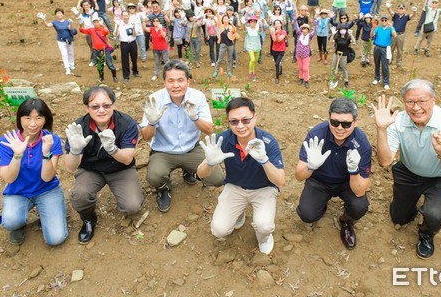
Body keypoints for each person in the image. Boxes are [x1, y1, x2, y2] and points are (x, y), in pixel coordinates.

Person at [374, 79, 441, 259]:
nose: (416, 108)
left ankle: (426, 233)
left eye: (422, 101)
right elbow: (385, 162)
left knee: (434, 215)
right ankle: (409, 204)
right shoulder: (398, 121)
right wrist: (381, 129)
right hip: (408, 172)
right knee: (399, 218)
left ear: (433, 100)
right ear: (404, 102)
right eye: (410, 102)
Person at [197, 97, 285, 254]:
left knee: (264, 225)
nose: (240, 126)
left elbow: (280, 180)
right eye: (234, 122)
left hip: (263, 188)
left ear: (255, 117)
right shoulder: (223, 140)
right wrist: (209, 162)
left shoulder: (268, 142)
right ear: (229, 122)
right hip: (236, 187)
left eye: (245, 120)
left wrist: (264, 160)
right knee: (219, 230)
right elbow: (201, 174)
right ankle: (239, 213)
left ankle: (264, 238)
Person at [141, 60, 225, 212]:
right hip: (163, 151)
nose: (176, 85)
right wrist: (152, 123)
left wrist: (195, 118)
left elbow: (209, 129)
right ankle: (163, 187)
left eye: (180, 80)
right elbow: (146, 137)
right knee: (154, 176)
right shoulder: (154, 100)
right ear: (164, 82)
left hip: (191, 149)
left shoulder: (197, 97)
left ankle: (189, 170)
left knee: (217, 178)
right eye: (170, 81)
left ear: (188, 81)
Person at [64, 86, 143, 244]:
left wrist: (112, 149)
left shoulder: (126, 123)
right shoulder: (79, 128)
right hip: (91, 170)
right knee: (80, 196)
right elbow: (70, 168)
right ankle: (88, 218)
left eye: (106, 105)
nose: (101, 110)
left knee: (132, 206)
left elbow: (127, 159)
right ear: (87, 108)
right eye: (95, 106)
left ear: (113, 105)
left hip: (120, 168)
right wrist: (75, 150)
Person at [296, 98, 372, 250]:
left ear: (355, 122)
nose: (339, 128)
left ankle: (346, 221)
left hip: (347, 182)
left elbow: (360, 190)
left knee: (359, 206)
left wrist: (354, 170)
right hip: (319, 181)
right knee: (307, 214)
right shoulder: (316, 134)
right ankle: (321, 204)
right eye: (334, 122)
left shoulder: (362, 143)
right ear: (328, 117)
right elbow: (299, 176)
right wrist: (311, 166)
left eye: (346, 124)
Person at [0, 98, 68, 246]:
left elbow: (47, 178)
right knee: (10, 222)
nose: (33, 124)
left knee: (56, 239)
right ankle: (18, 225)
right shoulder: (6, 141)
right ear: (19, 118)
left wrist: (46, 153)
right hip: (18, 191)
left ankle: (47, 214)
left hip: (47, 190)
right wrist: (17, 155)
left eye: (38, 118)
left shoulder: (51, 140)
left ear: (45, 119)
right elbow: (9, 178)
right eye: (27, 118)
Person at [79, 15, 118, 83]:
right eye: (94, 22)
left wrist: (104, 26)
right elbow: (82, 30)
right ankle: (101, 77)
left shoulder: (103, 29)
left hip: (105, 50)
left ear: (99, 22)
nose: (96, 23)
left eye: (97, 22)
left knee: (110, 64)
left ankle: (114, 76)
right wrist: (80, 24)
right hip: (96, 50)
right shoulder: (91, 30)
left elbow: (107, 32)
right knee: (100, 65)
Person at [39, 8, 77, 75]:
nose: (59, 14)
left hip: (69, 39)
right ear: (56, 14)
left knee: (70, 53)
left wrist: (71, 23)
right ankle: (67, 68)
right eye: (57, 13)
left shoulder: (67, 21)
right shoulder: (55, 22)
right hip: (61, 41)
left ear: (63, 14)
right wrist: (43, 19)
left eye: (60, 13)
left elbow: (71, 28)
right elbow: (47, 25)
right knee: (64, 54)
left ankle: (71, 64)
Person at [370, 14, 397, 90]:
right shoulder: (378, 28)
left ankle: (386, 82)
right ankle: (377, 78)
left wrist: (391, 27)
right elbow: (372, 35)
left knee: (385, 66)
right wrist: (373, 28)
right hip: (377, 47)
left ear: (388, 21)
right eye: (382, 20)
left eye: (385, 20)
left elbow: (395, 35)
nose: (384, 21)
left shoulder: (390, 28)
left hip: (385, 48)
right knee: (377, 63)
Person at [387, 2, 416, 68]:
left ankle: (399, 62)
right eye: (400, 9)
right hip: (394, 34)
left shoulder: (406, 16)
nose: (401, 10)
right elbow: (390, 12)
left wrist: (414, 11)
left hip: (401, 35)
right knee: (391, 48)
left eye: (402, 9)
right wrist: (388, 7)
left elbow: (412, 16)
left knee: (400, 49)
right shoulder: (395, 15)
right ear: (397, 9)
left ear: (404, 9)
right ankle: (390, 60)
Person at [114, 11, 139, 82]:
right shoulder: (119, 24)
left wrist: (134, 27)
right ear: (122, 16)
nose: (125, 17)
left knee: (134, 58)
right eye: (124, 16)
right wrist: (117, 26)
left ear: (129, 16)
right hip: (124, 44)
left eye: (127, 15)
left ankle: (135, 71)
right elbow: (115, 35)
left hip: (133, 43)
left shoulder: (132, 23)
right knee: (125, 60)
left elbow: (134, 35)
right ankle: (126, 76)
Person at [148, 17, 170, 82]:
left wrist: (161, 29)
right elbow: (145, 29)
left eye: (157, 21)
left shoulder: (163, 29)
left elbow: (163, 36)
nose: (156, 22)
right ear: (153, 22)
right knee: (157, 62)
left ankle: (169, 75)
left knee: (167, 62)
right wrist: (143, 21)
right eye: (154, 21)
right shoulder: (152, 29)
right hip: (155, 49)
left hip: (163, 48)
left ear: (159, 22)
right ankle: (156, 75)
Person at [295, 23, 315, 88]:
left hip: (306, 55)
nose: (305, 30)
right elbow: (296, 27)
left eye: (306, 28)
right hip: (299, 54)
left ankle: (306, 80)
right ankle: (301, 78)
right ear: (302, 29)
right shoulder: (299, 35)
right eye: (303, 28)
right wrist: (295, 20)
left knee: (305, 68)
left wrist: (316, 25)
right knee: (300, 67)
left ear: (308, 30)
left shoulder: (310, 36)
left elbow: (314, 31)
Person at [243, 15, 262, 81]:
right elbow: (244, 29)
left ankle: (254, 72)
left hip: (257, 47)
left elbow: (260, 31)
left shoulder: (257, 29)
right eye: (251, 21)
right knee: (253, 59)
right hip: (250, 47)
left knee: (255, 61)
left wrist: (260, 24)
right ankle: (250, 72)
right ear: (250, 22)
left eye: (254, 21)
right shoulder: (248, 29)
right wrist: (243, 23)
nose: (253, 23)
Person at [270, 19, 287, 84]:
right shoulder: (272, 32)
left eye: (278, 23)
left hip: (281, 50)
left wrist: (277, 34)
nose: (277, 25)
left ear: (281, 24)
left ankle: (277, 77)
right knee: (277, 62)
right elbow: (274, 40)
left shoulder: (283, 32)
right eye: (275, 24)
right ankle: (280, 68)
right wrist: (275, 33)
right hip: (274, 50)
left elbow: (279, 39)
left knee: (277, 63)